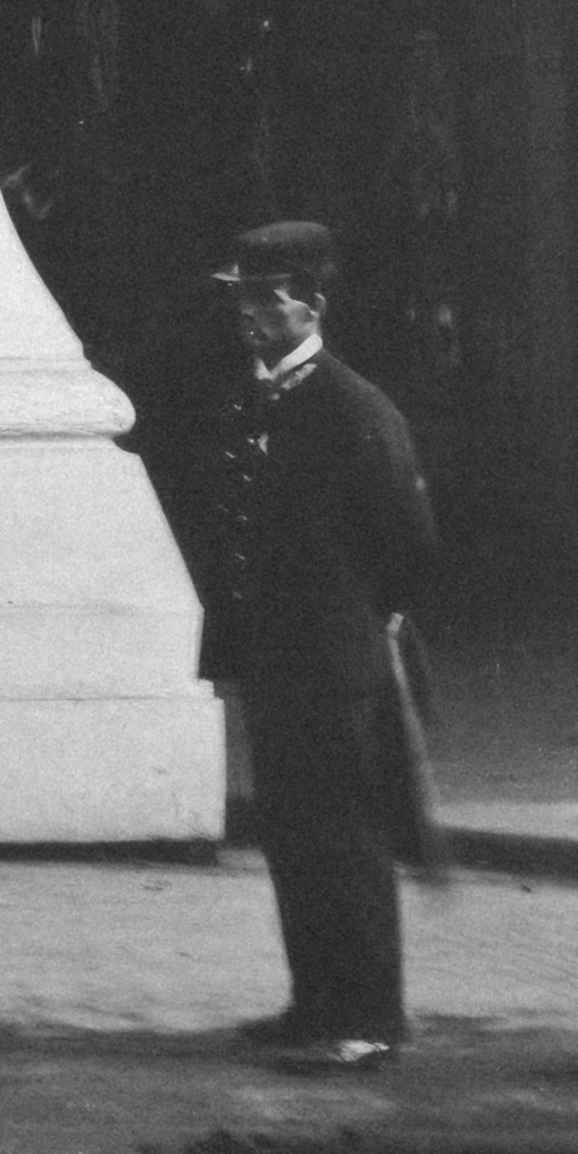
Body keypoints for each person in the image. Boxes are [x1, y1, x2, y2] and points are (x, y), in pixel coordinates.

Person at [175, 220, 438, 1067]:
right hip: (275, 657)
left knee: (347, 835)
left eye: (265, 298)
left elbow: (407, 546)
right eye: (239, 298)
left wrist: (362, 627)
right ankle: (315, 1003)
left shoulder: (355, 408)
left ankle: (368, 1017)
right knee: (292, 832)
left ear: (313, 306)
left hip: (335, 662)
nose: (247, 315)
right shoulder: (256, 397)